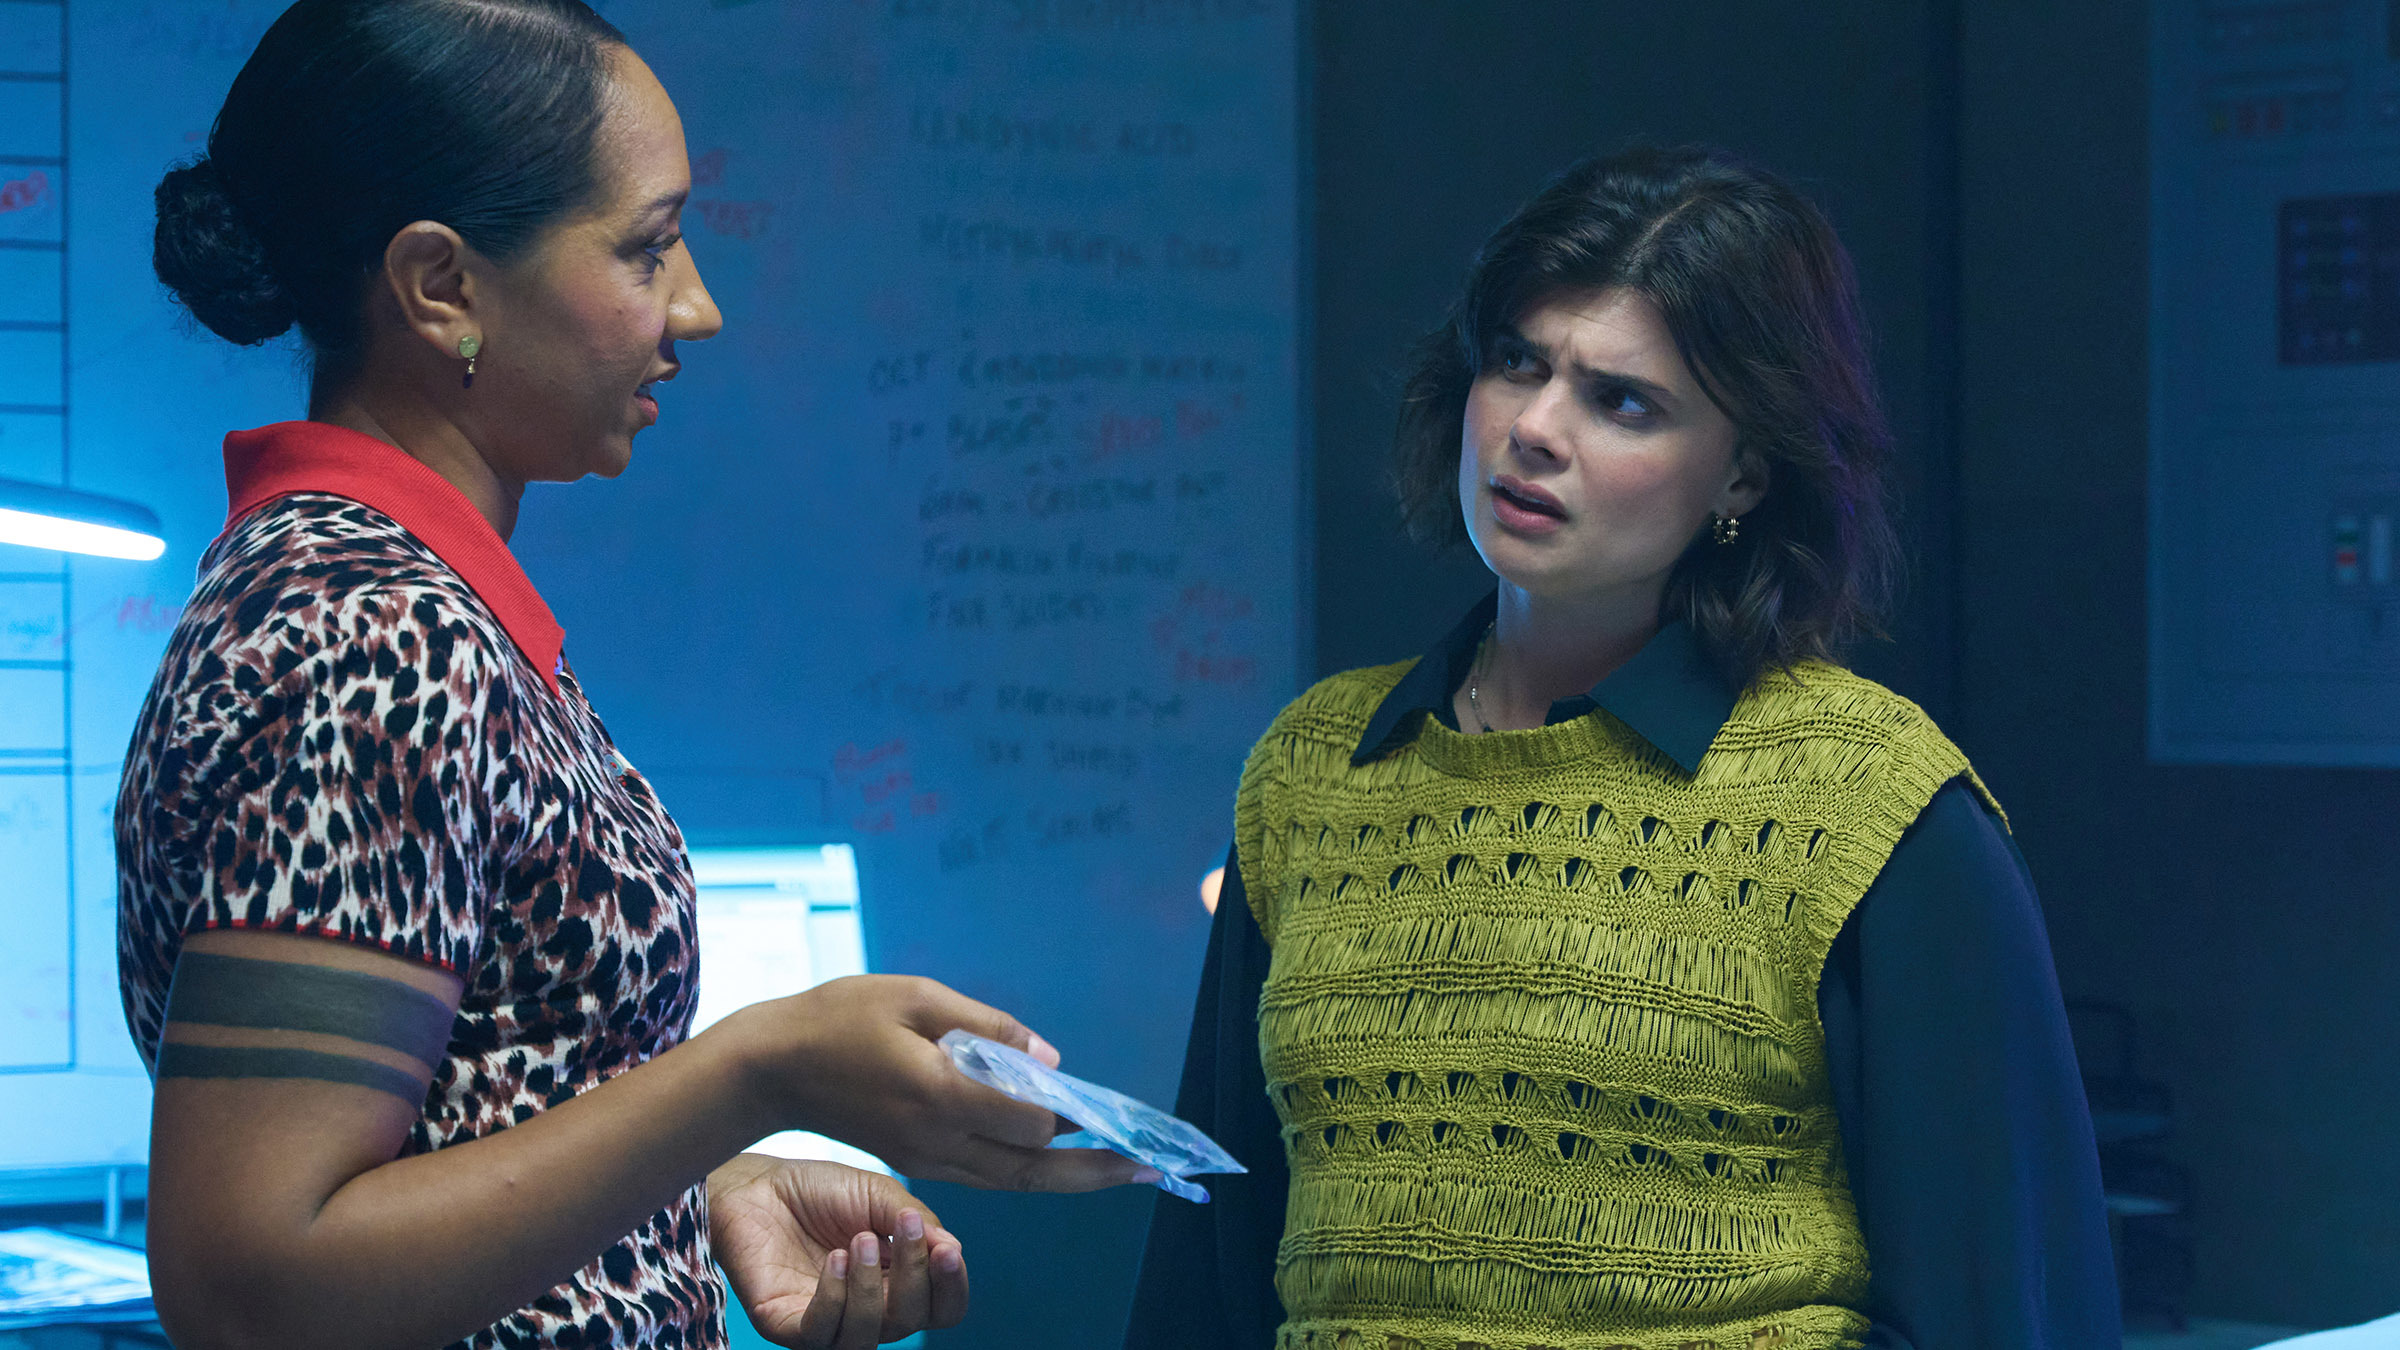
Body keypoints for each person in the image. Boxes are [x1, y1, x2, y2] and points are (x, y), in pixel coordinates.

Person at [117, 4, 1149, 1348]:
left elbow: (473, 1103)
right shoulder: (369, 638)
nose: (696, 307)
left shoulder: (406, 608)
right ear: (441, 286)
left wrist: (698, 1183)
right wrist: (754, 1071)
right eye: (646, 248)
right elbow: (254, 1281)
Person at [1125, 147, 2120, 1349]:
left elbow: (2008, 1305)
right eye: (1518, 363)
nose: (1535, 430)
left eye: (1622, 402)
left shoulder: (1870, 802)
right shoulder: (1313, 770)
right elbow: (1208, 1279)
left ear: (1743, 473)